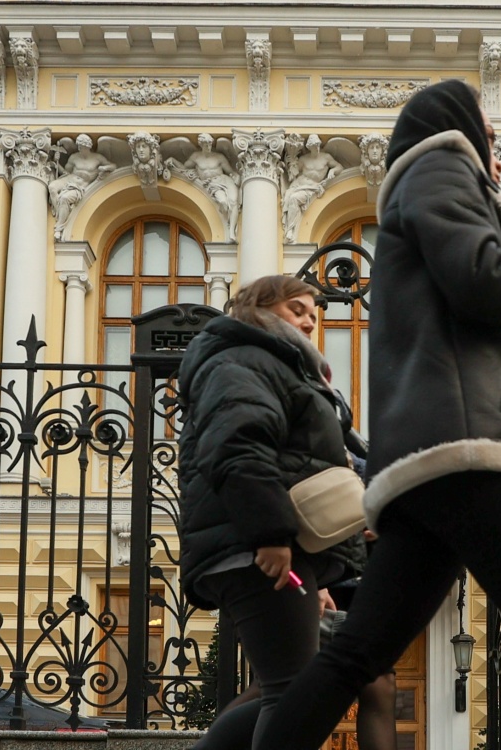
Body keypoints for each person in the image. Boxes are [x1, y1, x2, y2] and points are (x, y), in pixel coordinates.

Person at [253, 80, 501, 750]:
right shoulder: (440, 165)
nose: (500, 155)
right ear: (458, 126)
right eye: (492, 135)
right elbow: (481, 272)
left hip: (429, 464)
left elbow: (458, 332)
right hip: (469, 453)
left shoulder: (432, 188)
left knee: (355, 654)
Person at [178, 275, 365, 750]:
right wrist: (272, 535)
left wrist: (313, 577)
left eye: (312, 313)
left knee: (288, 691)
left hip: (273, 546)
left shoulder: (276, 363)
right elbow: (238, 448)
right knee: (291, 694)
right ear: (257, 308)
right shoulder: (244, 358)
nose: (308, 319)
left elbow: (288, 460)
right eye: (296, 308)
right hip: (254, 546)